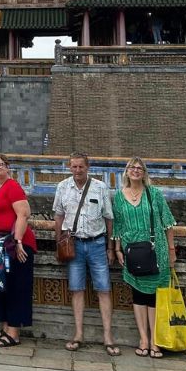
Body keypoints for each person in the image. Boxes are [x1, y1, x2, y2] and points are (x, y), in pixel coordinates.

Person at [53, 152, 119, 355]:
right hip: (75, 245)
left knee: (104, 289)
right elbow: (58, 216)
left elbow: (109, 218)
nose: (77, 170)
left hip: (97, 244)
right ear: (69, 167)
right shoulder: (63, 187)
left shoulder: (100, 187)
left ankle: (108, 336)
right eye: (74, 167)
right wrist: (59, 243)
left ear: (87, 167)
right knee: (77, 289)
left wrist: (110, 247)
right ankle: (78, 333)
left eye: (81, 167)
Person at [113, 157, 177, 359]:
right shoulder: (118, 196)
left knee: (154, 296)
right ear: (126, 172)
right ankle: (143, 339)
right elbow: (118, 225)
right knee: (138, 295)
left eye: (140, 168)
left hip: (156, 251)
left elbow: (167, 222)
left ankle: (156, 341)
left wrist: (171, 249)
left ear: (145, 173)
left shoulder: (154, 194)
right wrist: (117, 249)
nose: (136, 171)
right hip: (132, 252)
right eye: (132, 167)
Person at [0, 153, 36, 347]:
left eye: (0, 164)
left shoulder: (12, 186)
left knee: (15, 287)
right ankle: (5, 328)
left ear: (7, 167)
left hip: (12, 246)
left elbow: (24, 213)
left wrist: (18, 240)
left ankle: (14, 332)